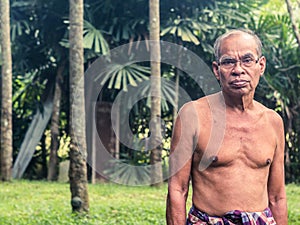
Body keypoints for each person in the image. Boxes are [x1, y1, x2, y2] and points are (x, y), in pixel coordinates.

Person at [166, 29, 288, 225]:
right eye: (228, 62)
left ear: (261, 65)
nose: (238, 70)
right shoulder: (193, 115)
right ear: (216, 69)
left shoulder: (273, 122)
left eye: (247, 60)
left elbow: (277, 197)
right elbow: (177, 189)